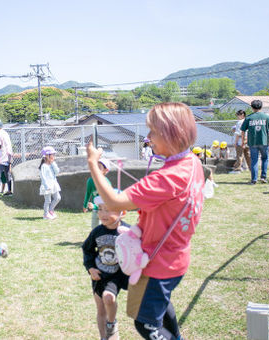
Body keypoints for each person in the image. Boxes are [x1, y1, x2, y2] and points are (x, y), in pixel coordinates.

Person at [87, 103, 205, 340]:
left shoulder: (165, 178)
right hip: (177, 256)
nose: (148, 138)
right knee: (161, 306)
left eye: (153, 132)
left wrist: (92, 164)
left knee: (147, 324)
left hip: (157, 263)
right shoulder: (192, 164)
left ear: (173, 134)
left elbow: (115, 202)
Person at [82, 195, 129, 340]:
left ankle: (112, 325)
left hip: (116, 276)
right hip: (99, 274)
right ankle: (104, 337)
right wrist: (90, 268)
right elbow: (87, 249)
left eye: (108, 210)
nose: (102, 214)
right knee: (101, 309)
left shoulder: (128, 232)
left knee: (109, 298)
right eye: (100, 209)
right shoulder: (97, 231)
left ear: (123, 212)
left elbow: (138, 252)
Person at [241, 100, 269, 184]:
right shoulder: (266, 117)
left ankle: (254, 179)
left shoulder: (249, 118)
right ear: (261, 107)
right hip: (264, 142)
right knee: (265, 159)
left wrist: (243, 141)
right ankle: (263, 177)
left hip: (252, 142)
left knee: (254, 160)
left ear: (252, 107)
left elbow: (242, 130)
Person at [83, 158, 112, 228]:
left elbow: (107, 201)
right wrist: (85, 205)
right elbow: (88, 193)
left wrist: (94, 206)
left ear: (106, 170)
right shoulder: (90, 181)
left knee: (104, 228)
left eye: (99, 167)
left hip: (106, 211)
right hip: (96, 210)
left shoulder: (106, 183)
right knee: (94, 228)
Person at [0, 119, 13, 198]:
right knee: (8, 174)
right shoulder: (5, 132)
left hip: (2, 156)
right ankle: (10, 191)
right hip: (9, 155)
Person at [39, 146, 61, 220]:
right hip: (47, 186)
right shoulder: (44, 166)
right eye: (52, 154)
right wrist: (46, 186)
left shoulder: (52, 164)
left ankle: (50, 210)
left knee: (58, 198)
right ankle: (45, 214)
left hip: (54, 185)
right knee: (48, 200)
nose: (53, 156)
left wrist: (53, 163)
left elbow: (57, 171)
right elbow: (43, 177)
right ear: (47, 156)